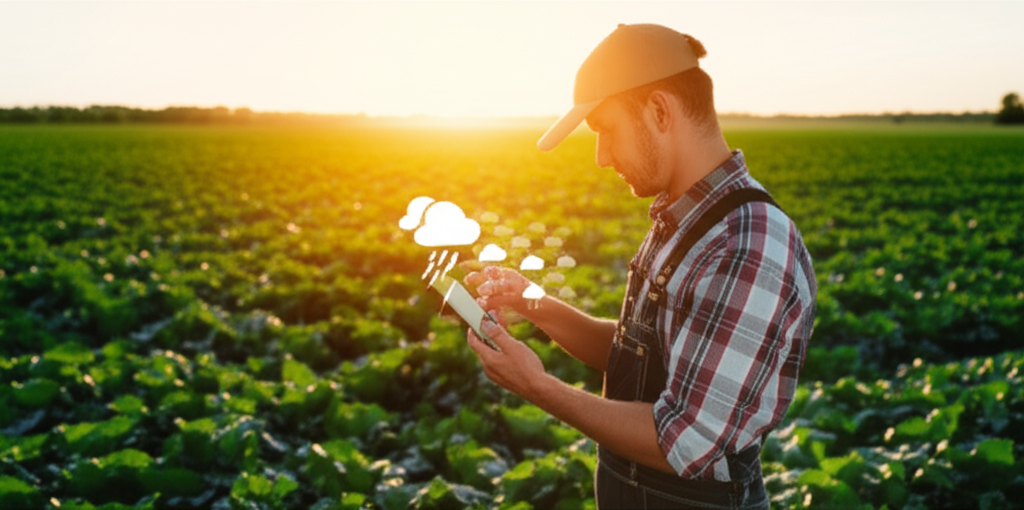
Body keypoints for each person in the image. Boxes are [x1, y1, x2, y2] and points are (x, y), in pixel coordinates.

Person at [464, 23, 816, 509]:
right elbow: (641, 354)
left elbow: (685, 443)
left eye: (606, 131)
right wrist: (535, 304)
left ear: (659, 111)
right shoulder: (682, 217)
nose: (601, 157)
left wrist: (538, 386)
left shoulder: (748, 244)